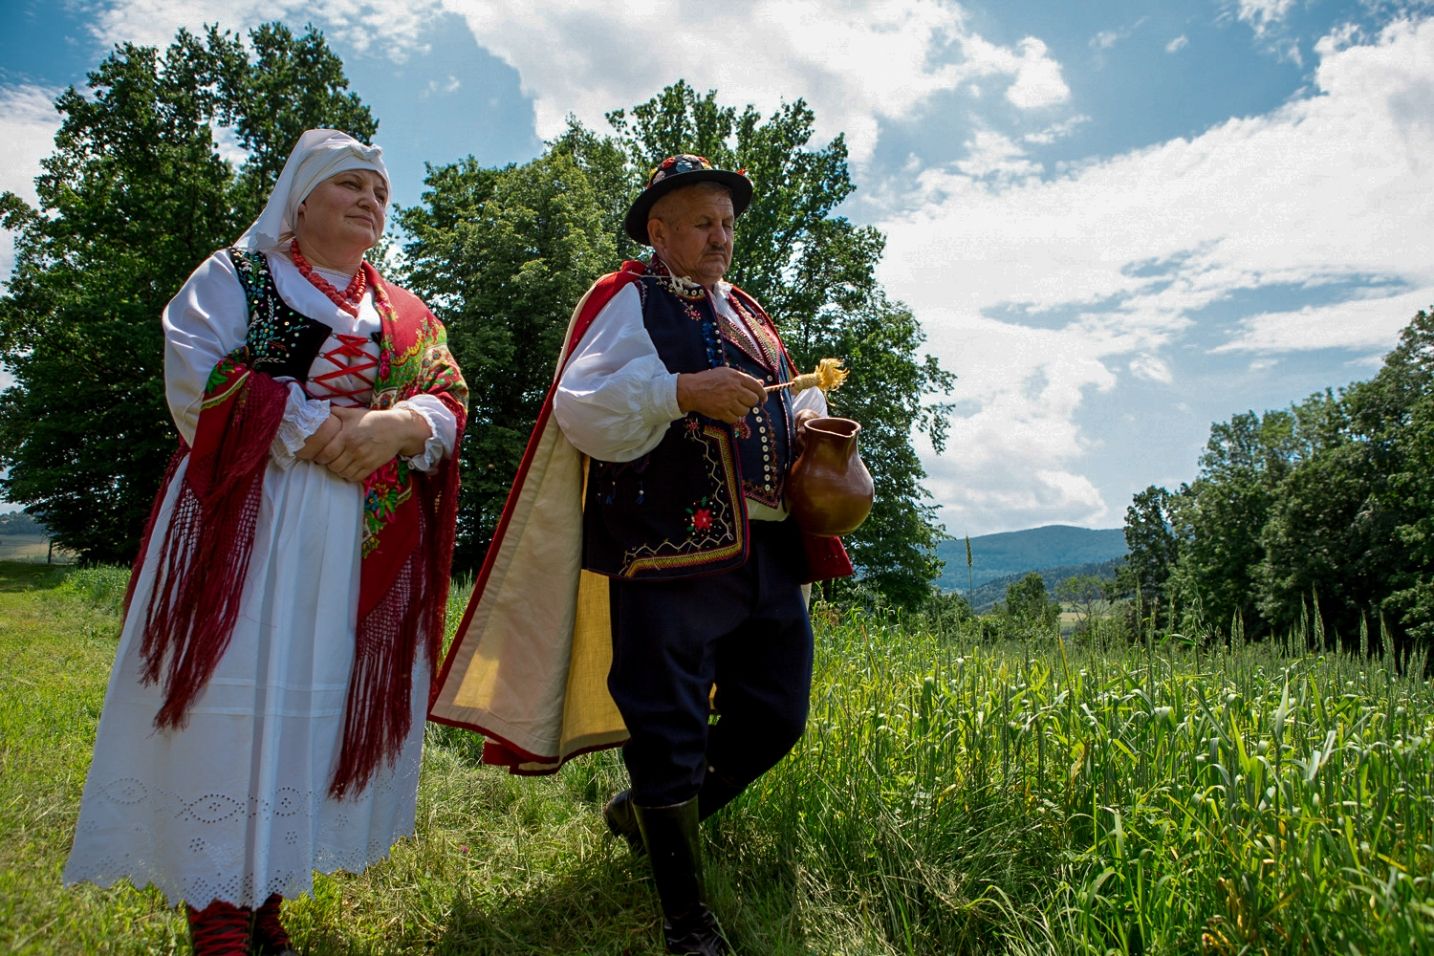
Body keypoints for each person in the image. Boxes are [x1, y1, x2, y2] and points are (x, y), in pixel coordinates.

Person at [431, 154, 850, 955]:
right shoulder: (629, 297)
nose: (721, 236)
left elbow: (792, 402)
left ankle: (645, 816)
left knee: (776, 715)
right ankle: (687, 921)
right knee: (670, 730)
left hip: (765, 551)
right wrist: (680, 392)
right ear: (660, 231)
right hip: (668, 552)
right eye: (703, 222)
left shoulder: (752, 315)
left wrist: (817, 432)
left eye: (727, 223)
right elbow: (581, 407)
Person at [63, 129, 467, 955]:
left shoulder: (405, 314)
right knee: (227, 705)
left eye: (380, 193)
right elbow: (197, 374)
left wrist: (397, 424)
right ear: (301, 197)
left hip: (346, 541)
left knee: (310, 711)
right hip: (246, 524)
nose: (369, 201)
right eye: (349, 185)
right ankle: (217, 917)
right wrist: (316, 428)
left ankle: (267, 903)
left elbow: (450, 397)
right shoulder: (235, 277)